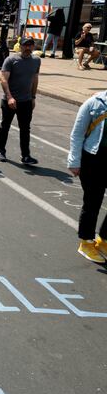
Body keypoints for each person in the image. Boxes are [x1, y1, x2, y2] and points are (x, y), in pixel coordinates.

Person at [68, 89, 107, 263]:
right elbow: (77, 134)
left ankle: (103, 239)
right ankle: (85, 242)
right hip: (94, 159)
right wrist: (74, 161)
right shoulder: (94, 103)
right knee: (93, 202)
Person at [0, 37, 40, 164]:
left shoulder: (36, 61)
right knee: (5, 126)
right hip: (10, 101)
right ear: (20, 46)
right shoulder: (11, 60)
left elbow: (35, 79)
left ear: (33, 47)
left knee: (25, 129)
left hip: (26, 101)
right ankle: (1, 151)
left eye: (30, 45)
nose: (27, 48)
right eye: (25, 45)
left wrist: (33, 97)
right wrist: (9, 97)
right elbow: (3, 80)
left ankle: (26, 156)